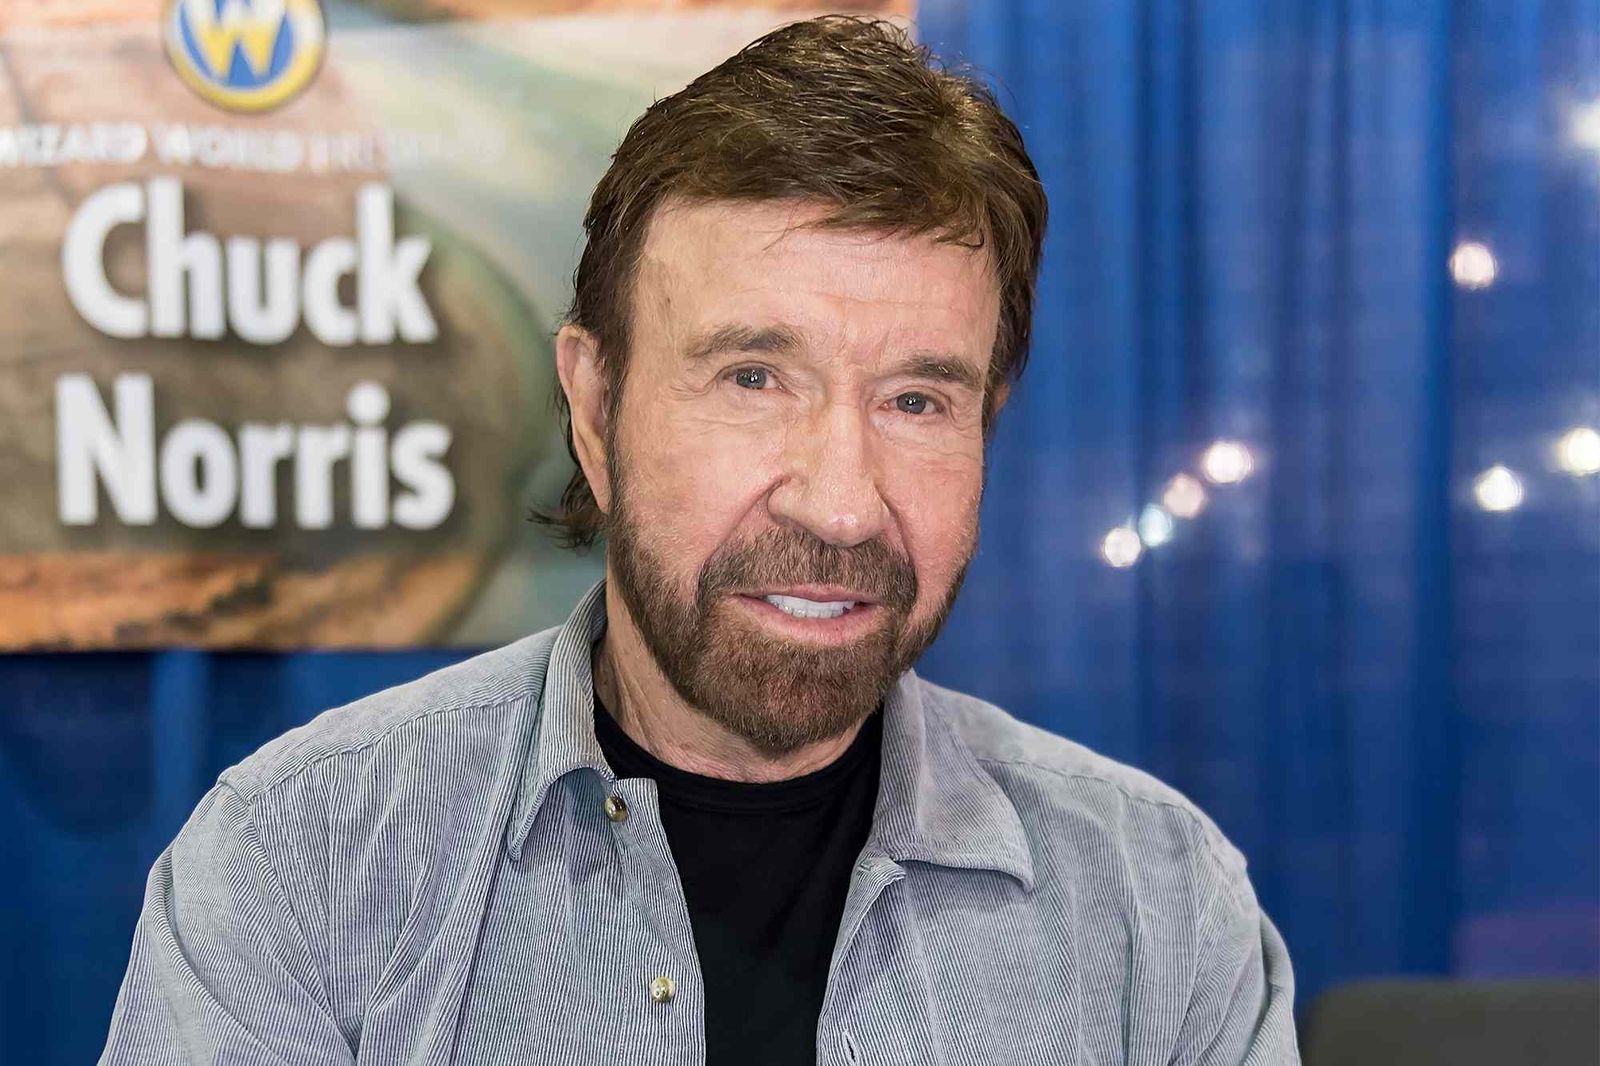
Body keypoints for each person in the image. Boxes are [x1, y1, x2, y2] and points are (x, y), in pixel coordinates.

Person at [100, 16, 1298, 1065]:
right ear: (593, 408)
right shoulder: (299, 867)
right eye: (753, 377)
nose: (840, 504)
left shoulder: (1158, 908)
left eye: (916, 400)